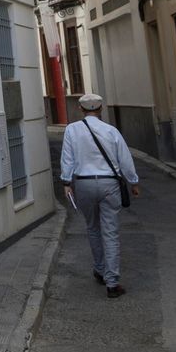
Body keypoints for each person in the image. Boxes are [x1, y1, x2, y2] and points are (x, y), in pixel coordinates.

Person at [60, 93, 140, 299]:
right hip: (109, 184)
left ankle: (99, 269)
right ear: (101, 109)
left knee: (92, 227)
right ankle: (112, 283)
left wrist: (66, 182)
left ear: (80, 109)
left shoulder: (72, 130)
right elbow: (124, 158)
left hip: (84, 183)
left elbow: (67, 158)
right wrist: (133, 182)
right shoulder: (111, 130)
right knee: (110, 231)